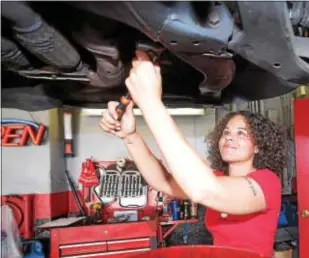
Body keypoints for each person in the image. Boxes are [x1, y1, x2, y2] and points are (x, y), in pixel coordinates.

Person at [99, 51, 287, 258]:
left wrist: (150, 102)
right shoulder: (216, 179)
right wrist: (131, 136)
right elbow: (164, 181)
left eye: (241, 133)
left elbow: (206, 190)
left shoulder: (266, 181)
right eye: (226, 132)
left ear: (258, 146)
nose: (230, 138)